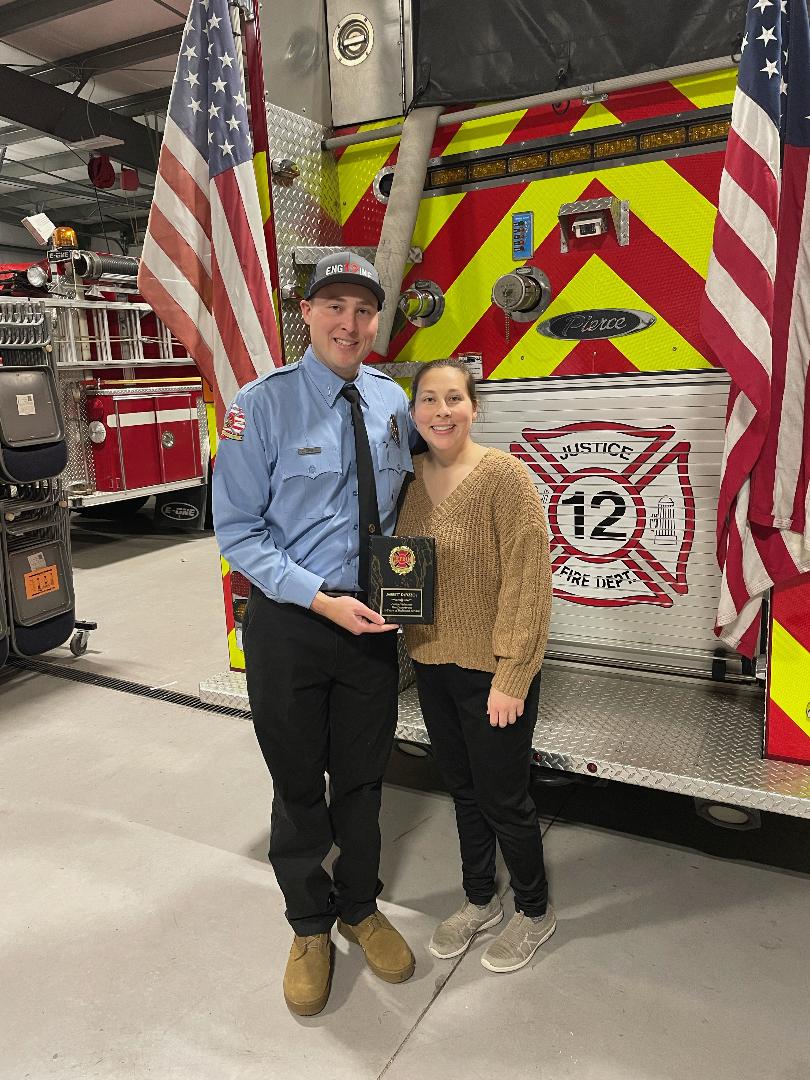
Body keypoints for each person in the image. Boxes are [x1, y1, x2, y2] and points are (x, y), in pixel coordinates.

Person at [213, 251, 415, 1016]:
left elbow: (415, 496)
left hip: (371, 623)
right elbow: (237, 532)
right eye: (333, 305)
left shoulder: (393, 401)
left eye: (363, 310)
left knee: (363, 780)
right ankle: (308, 922)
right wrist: (319, 599)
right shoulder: (259, 404)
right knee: (298, 784)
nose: (349, 323)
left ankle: (359, 906)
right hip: (292, 626)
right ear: (306, 313)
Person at [396, 358, 555, 974]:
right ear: (414, 414)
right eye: (429, 400)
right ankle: (480, 899)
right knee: (463, 792)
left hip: (493, 676)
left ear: (474, 407)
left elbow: (528, 583)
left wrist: (512, 676)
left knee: (504, 799)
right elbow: (403, 569)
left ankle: (535, 911)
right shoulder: (408, 483)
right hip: (433, 665)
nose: (442, 411)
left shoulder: (505, 479)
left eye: (454, 398)